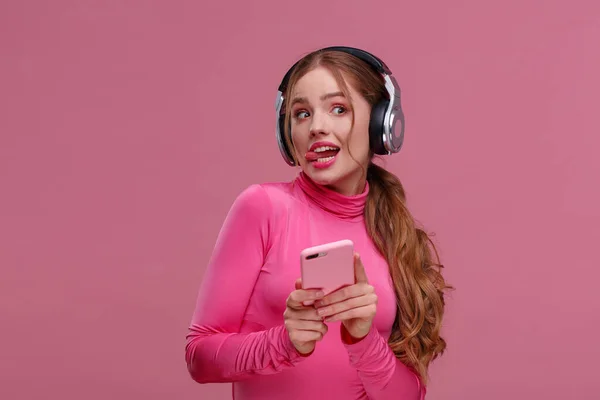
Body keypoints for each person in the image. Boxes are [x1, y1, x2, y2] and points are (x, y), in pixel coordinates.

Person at [185, 46, 452, 400]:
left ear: (380, 123)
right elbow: (199, 357)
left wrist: (363, 340)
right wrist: (283, 341)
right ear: (287, 134)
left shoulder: (396, 235)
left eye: (338, 109)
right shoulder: (263, 207)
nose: (317, 127)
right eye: (301, 114)